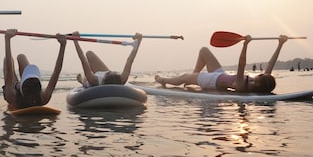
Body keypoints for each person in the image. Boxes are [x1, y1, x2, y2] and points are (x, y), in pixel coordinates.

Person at [155, 35, 290, 93]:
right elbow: (270, 66)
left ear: (260, 86)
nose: (257, 78)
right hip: (220, 74)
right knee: (204, 50)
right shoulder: (260, 82)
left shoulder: (242, 86)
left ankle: (163, 80)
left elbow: (241, 64)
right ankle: (193, 77)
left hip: (211, 82)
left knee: (183, 77)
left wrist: (245, 45)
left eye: (259, 79)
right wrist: (280, 44)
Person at [2, 29, 67, 109]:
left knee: (8, 60)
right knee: (21, 57)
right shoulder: (44, 98)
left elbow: (9, 70)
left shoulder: (12, 97)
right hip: (20, 87)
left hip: (14, 86)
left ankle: (20, 82)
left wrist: (7, 39)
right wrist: (63, 45)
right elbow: (56, 72)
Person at [72, 31, 144, 87]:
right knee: (89, 53)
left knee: (86, 80)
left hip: (94, 79)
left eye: (108, 73)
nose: (109, 72)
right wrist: (138, 41)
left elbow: (83, 60)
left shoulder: (93, 80)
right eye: (110, 72)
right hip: (107, 78)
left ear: (103, 79)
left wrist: (75, 41)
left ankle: (81, 80)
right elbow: (130, 60)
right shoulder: (122, 79)